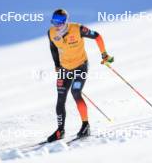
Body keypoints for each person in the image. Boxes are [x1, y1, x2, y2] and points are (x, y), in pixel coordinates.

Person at [47, 9, 114, 142]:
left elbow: (97, 36)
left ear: (66, 21)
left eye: (60, 21)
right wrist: (57, 65)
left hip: (80, 66)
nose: (57, 24)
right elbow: (53, 48)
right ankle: (60, 131)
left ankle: (85, 125)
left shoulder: (78, 29)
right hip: (64, 69)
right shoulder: (51, 32)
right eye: (55, 21)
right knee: (60, 99)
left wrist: (104, 54)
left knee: (76, 91)